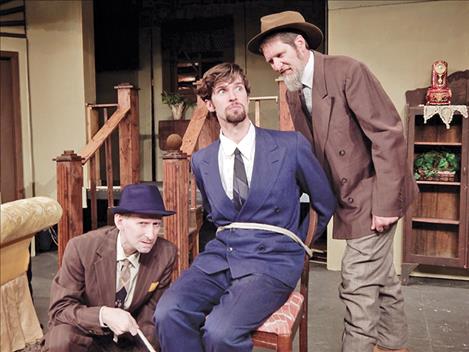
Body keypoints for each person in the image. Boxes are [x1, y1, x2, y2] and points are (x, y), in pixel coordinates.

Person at [248, 10, 419, 352]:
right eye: (270, 62)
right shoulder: (293, 92)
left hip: (375, 192)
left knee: (356, 281)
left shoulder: (347, 71)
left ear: (300, 44)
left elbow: (388, 136)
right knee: (382, 279)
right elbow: (309, 151)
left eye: (279, 56)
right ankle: (393, 345)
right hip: (347, 197)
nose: (276, 67)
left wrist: (385, 205)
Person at [154, 63, 336, 352]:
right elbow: (216, 216)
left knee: (220, 331)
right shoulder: (202, 161)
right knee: (168, 313)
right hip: (221, 257)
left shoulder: (290, 146)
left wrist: (298, 242)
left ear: (247, 96)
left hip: (273, 261)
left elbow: (324, 202)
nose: (233, 96)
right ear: (209, 104)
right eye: (223, 91)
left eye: (238, 88)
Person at [43, 183, 177, 352]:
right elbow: (60, 309)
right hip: (86, 333)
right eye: (143, 224)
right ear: (119, 221)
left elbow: (150, 312)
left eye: (156, 224)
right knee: (61, 339)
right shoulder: (81, 248)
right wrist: (103, 315)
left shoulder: (166, 253)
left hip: (127, 338)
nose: (151, 235)